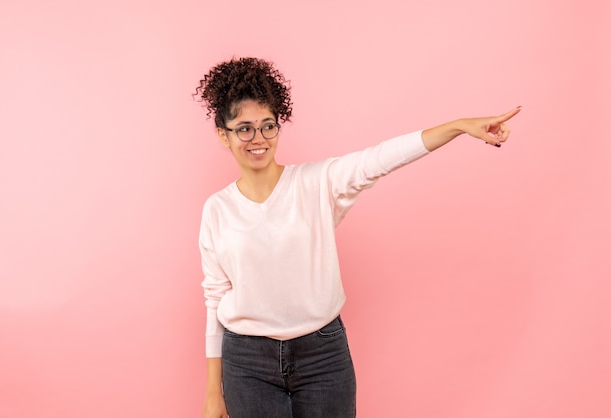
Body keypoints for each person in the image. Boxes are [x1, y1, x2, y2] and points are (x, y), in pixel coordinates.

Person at [195, 57, 520, 418]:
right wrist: (214, 392)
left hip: (322, 355)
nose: (258, 139)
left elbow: (379, 158)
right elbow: (216, 298)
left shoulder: (318, 183)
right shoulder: (217, 210)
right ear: (222, 133)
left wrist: (458, 127)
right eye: (244, 128)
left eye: (267, 126)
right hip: (247, 364)